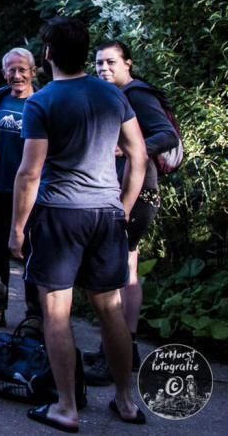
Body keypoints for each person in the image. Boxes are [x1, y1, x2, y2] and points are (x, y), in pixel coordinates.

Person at [10, 17, 148, 431]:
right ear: (85, 52)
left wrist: (17, 228)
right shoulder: (113, 95)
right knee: (111, 309)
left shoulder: (42, 102)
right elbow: (138, 155)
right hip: (106, 214)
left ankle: (66, 408)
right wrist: (123, 207)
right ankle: (126, 401)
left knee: (56, 311)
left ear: (48, 54)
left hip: (60, 215)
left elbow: (29, 173)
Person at [83, 40, 180, 384]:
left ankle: (113, 356)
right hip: (135, 190)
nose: (103, 69)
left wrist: (128, 149)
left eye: (111, 62)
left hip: (136, 194)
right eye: (99, 63)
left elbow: (166, 135)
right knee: (128, 268)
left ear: (128, 64)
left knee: (115, 271)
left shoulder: (136, 94)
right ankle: (126, 348)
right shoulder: (120, 95)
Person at [0, 47, 42, 329]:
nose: (17, 75)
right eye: (11, 70)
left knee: (32, 252)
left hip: (32, 193)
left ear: (33, 72)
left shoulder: (42, 103)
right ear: (4, 73)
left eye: (22, 69)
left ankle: (35, 314)